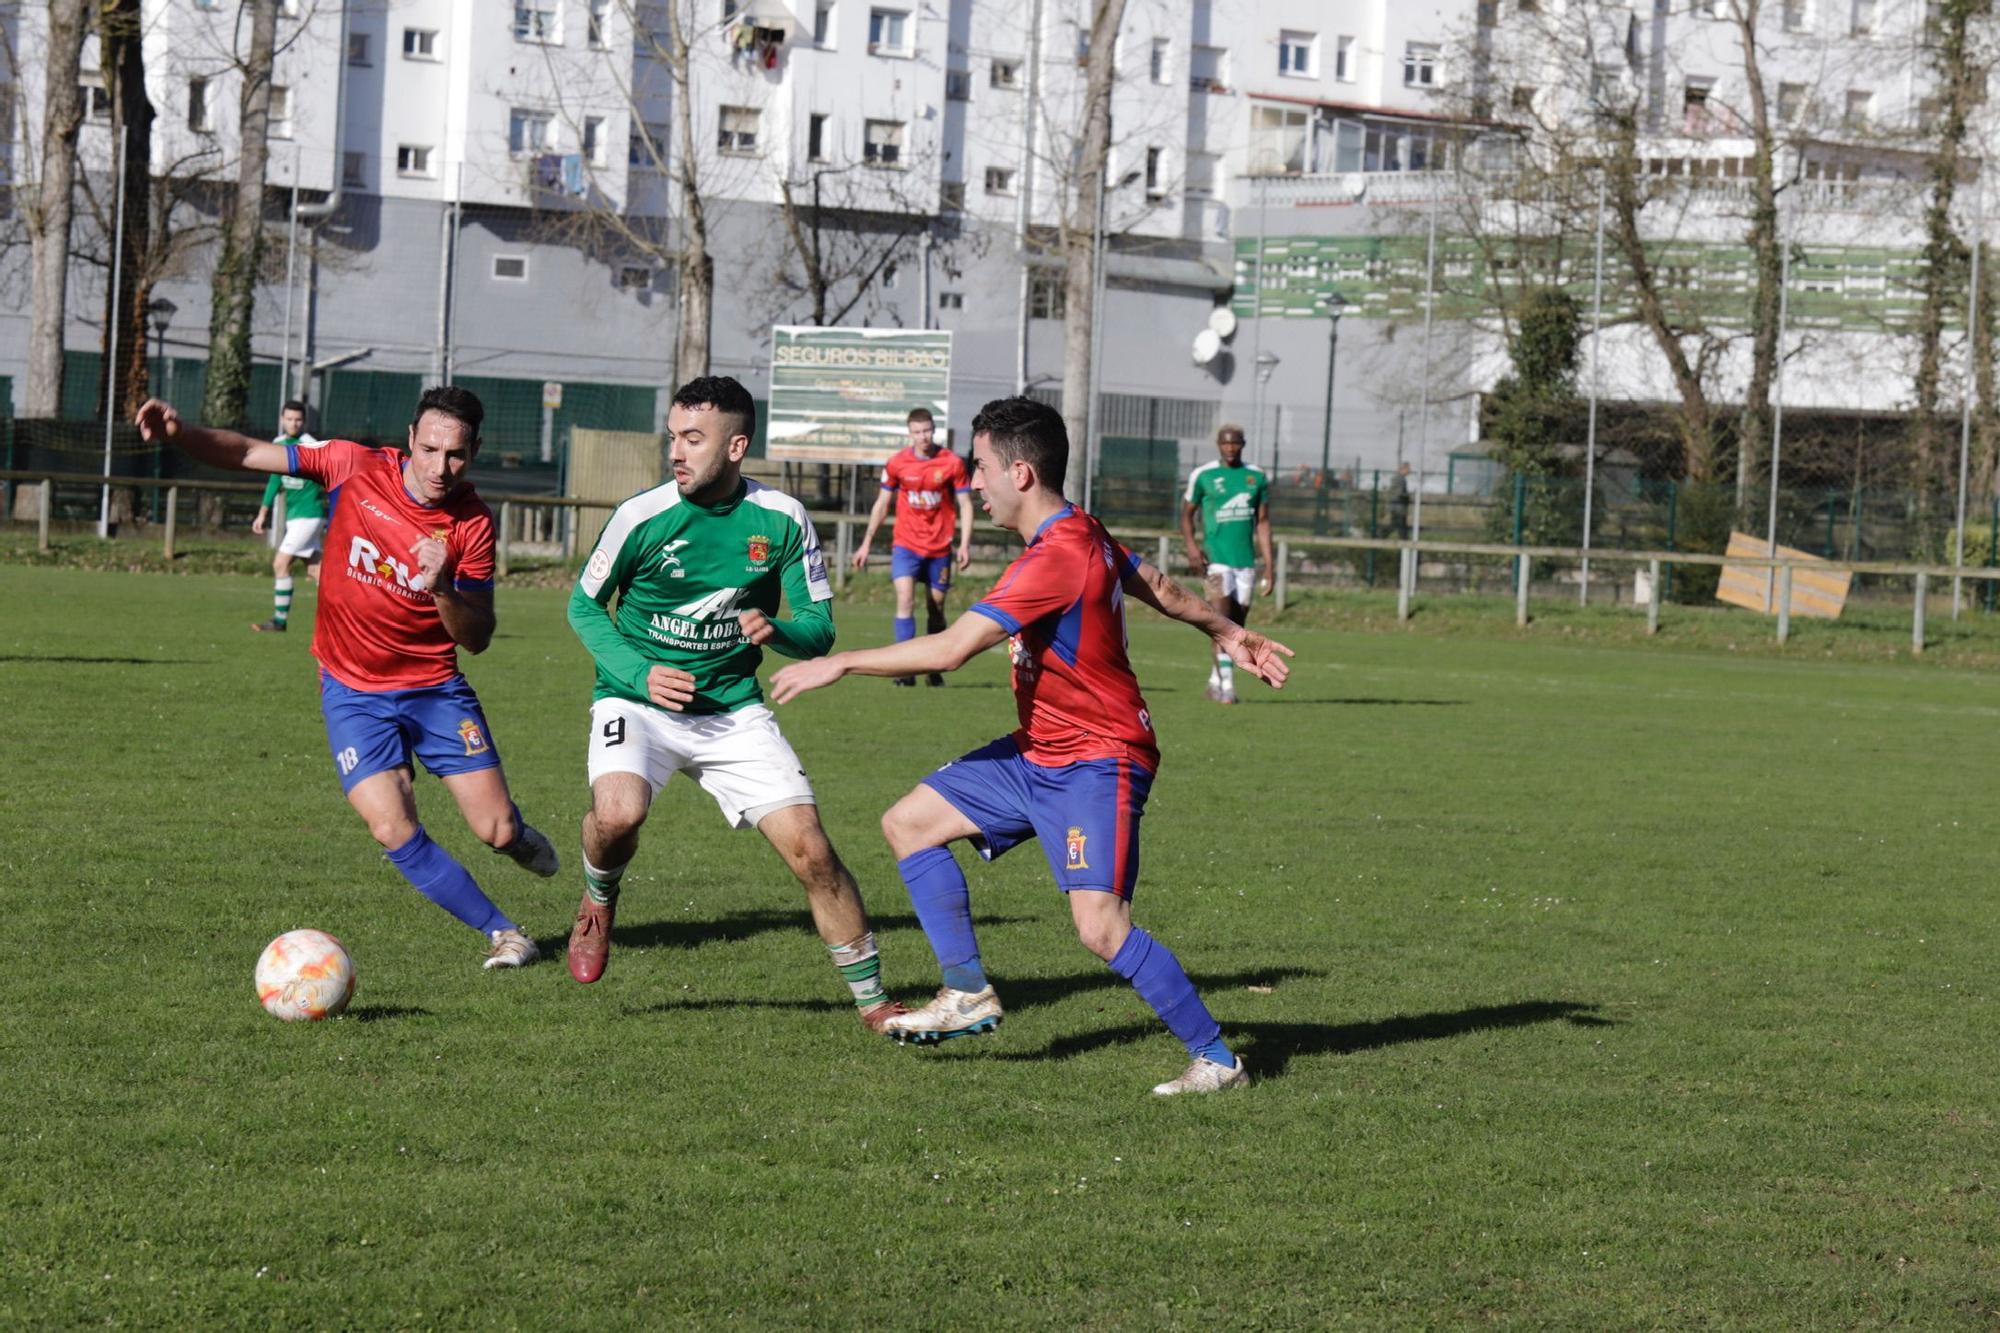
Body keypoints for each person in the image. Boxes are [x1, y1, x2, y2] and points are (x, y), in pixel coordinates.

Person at [771, 397, 1294, 1095]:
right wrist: (1228, 632)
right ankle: (965, 990)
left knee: (1101, 928)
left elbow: (955, 648)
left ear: (1019, 472)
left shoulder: (1058, 555)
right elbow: (1161, 586)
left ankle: (1219, 1059)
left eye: (980, 468)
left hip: (1097, 757)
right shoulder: (1083, 529)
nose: (972, 483)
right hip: (1040, 750)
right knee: (909, 822)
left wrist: (839, 662)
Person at [135, 386, 560, 969]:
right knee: (391, 826)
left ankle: (513, 837)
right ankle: (504, 933)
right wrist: (181, 435)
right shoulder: (351, 465)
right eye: (430, 449)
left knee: (495, 828)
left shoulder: (472, 525)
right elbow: (248, 454)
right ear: (410, 439)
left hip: (434, 691)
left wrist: (441, 588)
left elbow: (478, 636)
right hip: (352, 691)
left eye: (456, 455)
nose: (440, 467)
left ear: (474, 452)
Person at [565, 375, 905, 1032]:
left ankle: (875, 1003)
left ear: (737, 445)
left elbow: (819, 629)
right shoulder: (642, 515)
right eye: (673, 437)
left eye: (694, 438)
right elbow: (584, 604)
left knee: (812, 849)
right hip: (638, 703)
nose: (678, 452)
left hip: (732, 712)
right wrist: (640, 672)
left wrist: (778, 630)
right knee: (617, 814)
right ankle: (598, 898)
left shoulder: (780, 519)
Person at [850, 407, 973, 687]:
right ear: (910, 433)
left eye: (927, 430)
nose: (923, 436)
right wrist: (866, 543)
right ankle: (905, 671)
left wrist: (964, 544)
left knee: (936, 608)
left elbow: (965, 504)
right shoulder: (897, 463)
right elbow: (882, 504)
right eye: (917, 432)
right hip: (906, 544)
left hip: (939, 548)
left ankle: (934, 666)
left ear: (934, 429)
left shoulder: (951, 462)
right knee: (905, 600)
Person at [1180, 424, 1274, 704]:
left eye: (1235, 444)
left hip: (1245, 563)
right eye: (1225, 443)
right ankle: (1228, 689)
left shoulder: (1256, 477)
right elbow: (1186, 516)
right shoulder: (1204, 475)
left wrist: (1269, 565)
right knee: (1223, 621)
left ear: (1243, 444)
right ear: (1218, 444)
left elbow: (1264, 523)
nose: (1230, 448)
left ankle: (1214, 679)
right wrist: (1192, 547)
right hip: (1215, 562)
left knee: (1237, 625)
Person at [248, 400, 326, 633]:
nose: (294, 423)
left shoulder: (311, 446)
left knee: (280, 563)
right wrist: (263, 512)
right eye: (289, 419)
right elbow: (274, 479)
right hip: (295, 517)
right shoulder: (278, 444)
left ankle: (279, 621)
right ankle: (351, 615)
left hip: (309, 515)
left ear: (304, 422)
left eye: (298, 420)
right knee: (317, 571)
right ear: (282, 419)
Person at [1387, 460, 1413, 540]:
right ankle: (1377, 538)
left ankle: (1377, 537)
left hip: (1396, 507)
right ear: (1403, 469)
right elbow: (1399, 493)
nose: (1410, 471)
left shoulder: (1398, 478)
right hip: (1399, 508)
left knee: (1396, 527)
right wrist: (1408, 496)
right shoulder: (1400, 479)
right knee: (1400, 529)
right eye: (1408, 469)